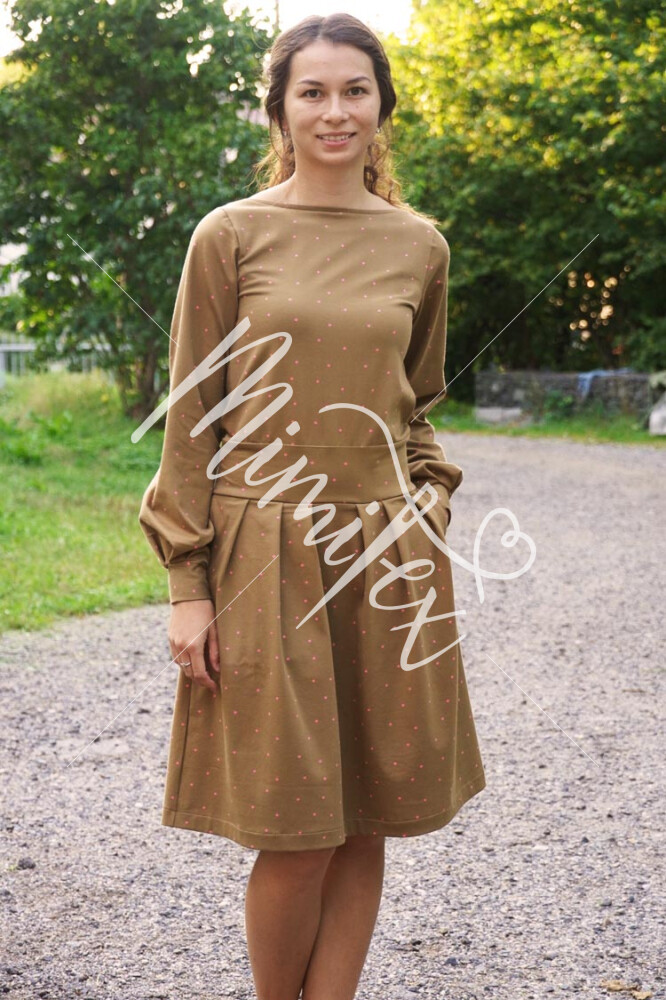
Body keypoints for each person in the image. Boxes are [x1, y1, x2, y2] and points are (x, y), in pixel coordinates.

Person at [138, 12, 486, 1000]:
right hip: (263, 552)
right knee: (297, 832)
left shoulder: (420, 245)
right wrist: (187, 582)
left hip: (385, 556)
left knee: (366, 819)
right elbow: (193, 416)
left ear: (382, 108)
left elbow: (415, 408)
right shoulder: (231, 235)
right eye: (313, 92)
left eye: (354, 91)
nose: (336, 111)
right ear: (280, 111)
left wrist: (427, 505)